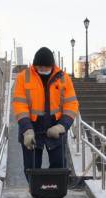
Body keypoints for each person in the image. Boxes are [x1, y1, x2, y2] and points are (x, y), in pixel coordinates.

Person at [12, 47, 79, 184]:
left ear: (52, 65)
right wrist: (27, 130)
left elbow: (71, 106)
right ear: (34, 65)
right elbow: (20, 106)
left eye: (45, 67)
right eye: (39, 67)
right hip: (31, 129)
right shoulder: (23, 78)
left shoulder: (63, 78)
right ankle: (36, 193)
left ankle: (52, 193)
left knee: (58, 166)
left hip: (55, 128)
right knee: (31, 168)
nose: (42, 69)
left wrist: (62, 126)